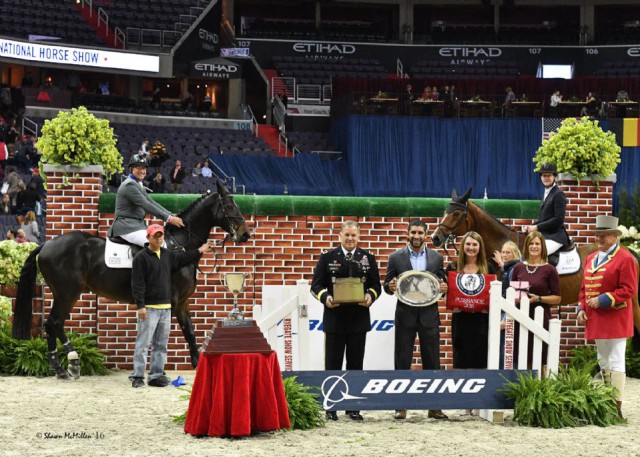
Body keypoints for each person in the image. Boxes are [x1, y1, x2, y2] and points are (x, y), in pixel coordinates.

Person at [311, 220, 381, 422]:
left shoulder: (368, 258)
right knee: (333, 363)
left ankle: (353, 407)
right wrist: (326, 298)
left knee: (355, 364)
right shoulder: (327, 257)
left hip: (358, 320)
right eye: (347, 235)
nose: (350, 239)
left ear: (358, 237)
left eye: (354, 235)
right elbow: (315, 286)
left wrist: (371, 295)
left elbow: (376, 284)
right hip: (335, 319)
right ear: (340, 236)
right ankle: (331, 406)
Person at [130, 224, 214, 388]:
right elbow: (137, 284)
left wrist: (200, 250)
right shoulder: (141, 257)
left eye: (161, 235)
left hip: (166, 308)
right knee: (143, 344)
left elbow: (184, 258)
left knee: (161, 345)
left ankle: (156, 375)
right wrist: (140, 306)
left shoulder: (167, 255)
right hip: (150, 308)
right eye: (155, 236)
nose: (159, 238)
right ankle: (138, 376)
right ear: (148, 238)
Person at [383, 219, 448, 421]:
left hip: (429, 316)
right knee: (402, 360)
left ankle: (434, 407)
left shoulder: (437, 257)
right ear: (408, 233)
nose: (417, 236)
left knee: (433, 361)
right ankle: (400, 406)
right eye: (413, 232)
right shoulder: (395, 257)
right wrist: (390, 286)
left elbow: (441, 283)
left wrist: (444, 288)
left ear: (425, 234)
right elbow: (387, 284)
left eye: (420, 232)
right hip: (405, 315)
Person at [577, 215, 638, 419]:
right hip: (595, 318)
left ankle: (617, 406)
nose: (599, 238)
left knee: (616, 359)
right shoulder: (592, 258)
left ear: (614, 236)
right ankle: (606, 401)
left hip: (615, 317)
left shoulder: (625, 258)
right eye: (598, 235)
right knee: (602, 360)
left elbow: (629, 289)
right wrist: (581, 308)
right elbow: (584, 288)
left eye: (604, 235)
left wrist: (604, 300)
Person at [442, 231, 496, 371]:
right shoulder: (453, 267)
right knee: (461, 362)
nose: (471, 247)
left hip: (482, 321)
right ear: (463, 246)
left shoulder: (489, 268)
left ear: (480, 247)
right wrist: (448, 301)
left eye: (474, 244)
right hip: (461, 321)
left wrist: (489, 307)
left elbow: (495, 294)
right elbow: (446, 294)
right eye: (468, 244)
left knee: (481, 362)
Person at [107, 154, 184, 247]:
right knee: (158, 244)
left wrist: (171, 214)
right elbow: (146, 205)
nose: (142, 171)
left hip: (136, 226)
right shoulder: (129, 185)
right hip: (127, 227)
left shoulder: (138, 184)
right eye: (138, 168)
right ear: (131, 169)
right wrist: (169, 219)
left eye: (144, 168)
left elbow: (152, 202)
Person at [510, 231, 561, 367]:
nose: (534, 246)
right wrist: (517, 299)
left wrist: (538, 298)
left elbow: (557, 298)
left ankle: (541, 386)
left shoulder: (550, 269)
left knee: (541, 357)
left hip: (541, 318)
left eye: (537, 244)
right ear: (526, 246)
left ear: (542, 247)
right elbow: (512, 292)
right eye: (531, 244)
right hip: (520, 317)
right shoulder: (518, 268)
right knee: (522, 356)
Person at [524, 162, 570, 260]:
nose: (546, 178)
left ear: (554, 177)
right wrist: (531, 226)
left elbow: (558, 220)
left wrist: (536, 227)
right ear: (541, 177)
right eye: (544, 175)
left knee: (537, 254)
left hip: (556, 237)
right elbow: (544, 219)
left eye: (549, 175)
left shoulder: (558, 194)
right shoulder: (546, 194)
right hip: (546, 235)